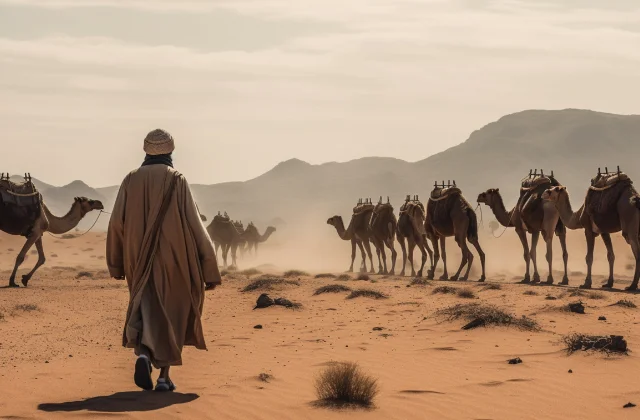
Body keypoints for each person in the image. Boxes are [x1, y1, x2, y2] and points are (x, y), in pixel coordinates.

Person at [106, 129, 221, 392]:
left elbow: (116, 224)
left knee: (145, 307)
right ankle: (163, 377)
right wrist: (209, 268)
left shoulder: (130, 180)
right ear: (171, 151)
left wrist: (116, 263)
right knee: (173, 313)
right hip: (175, 259)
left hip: (137, 258)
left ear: (145, 151)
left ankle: (145, 355)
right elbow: (195, 225)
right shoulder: (177, 180)